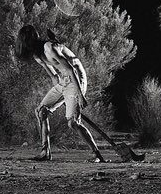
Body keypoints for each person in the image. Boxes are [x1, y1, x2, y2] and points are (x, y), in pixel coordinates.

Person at [15, 24, 105, 162]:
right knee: (41, 111)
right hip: (63, 81)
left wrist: (80, 95)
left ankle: (96, 154)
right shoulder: (37, 55)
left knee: (73, 123)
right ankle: (45, 152)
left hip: (76, 78)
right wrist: (58, 93)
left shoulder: (49, 48)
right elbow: (53, 76)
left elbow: (71, 70)